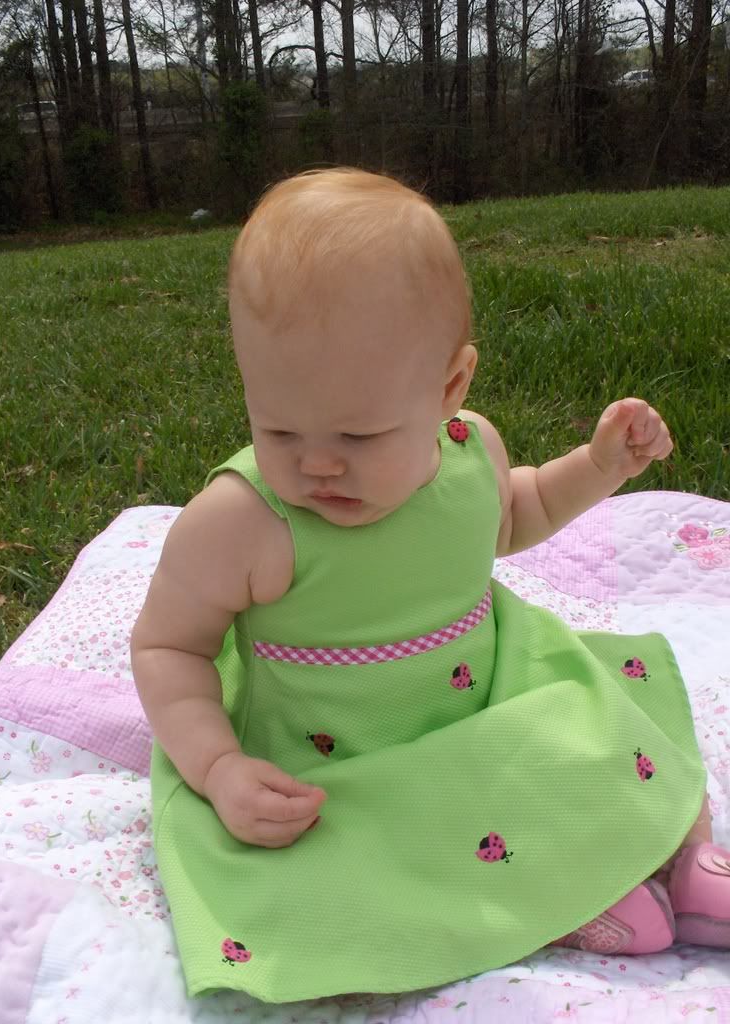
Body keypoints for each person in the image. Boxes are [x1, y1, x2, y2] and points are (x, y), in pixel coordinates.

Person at [131, 167, 728, 1004]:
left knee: (590, 739)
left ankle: (680, 854)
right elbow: (168, 647)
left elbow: (517, 512)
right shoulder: (241, 523)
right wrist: (220, 765)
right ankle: (568, 903)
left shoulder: (469, 450)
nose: (318, 463)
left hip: (490, 695)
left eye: (359, 435)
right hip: (344, 756)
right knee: (379, 854)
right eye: (279, 427)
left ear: (449, 389)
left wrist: (599, 468)